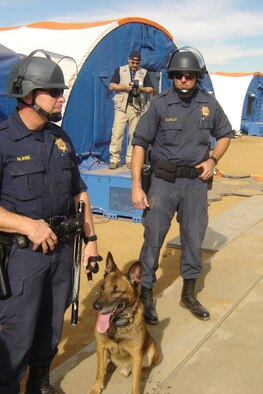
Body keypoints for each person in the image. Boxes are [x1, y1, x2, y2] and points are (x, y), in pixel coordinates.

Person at [0, 51, 100, 394]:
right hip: (22, 256)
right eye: (54, 92)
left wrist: (91, 240)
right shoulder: (3, 140)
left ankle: (40, 382)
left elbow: (79, 191)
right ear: (29, 95)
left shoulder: (61, 138)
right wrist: (27, 225)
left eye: (62, 92)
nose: (61, 98)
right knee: (18, 330)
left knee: (52, 322)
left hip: (62, 251)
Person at [131, 47, 232, 325]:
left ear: (197, 77)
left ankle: (189, 293)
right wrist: (137, 186)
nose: (184, 80)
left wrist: (212, 160)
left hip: (195, 184)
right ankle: (147, 295)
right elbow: (140, 143)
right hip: (163, 182)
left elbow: (224, 134)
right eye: (179, 75)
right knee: (153, 238)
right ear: (172, 77)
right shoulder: (161, 104)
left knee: (193, 238)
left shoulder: (209, 105)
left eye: (189, 75)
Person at [108, 49, 154, 170]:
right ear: (129, 59)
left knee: (134, 135)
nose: (134, 65)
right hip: (121, 107)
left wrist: (141, 89)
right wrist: (124, 87)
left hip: (136, 107)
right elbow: (111, 85)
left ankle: (130, 160)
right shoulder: (120, 70)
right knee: (117, 133)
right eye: (133, 62)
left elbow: (151, 89)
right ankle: (114, 159)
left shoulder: (144, 72)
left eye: (137, 63)